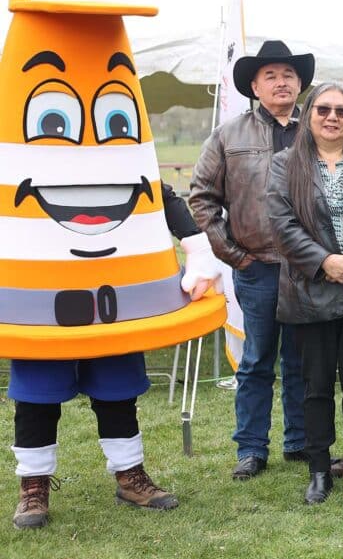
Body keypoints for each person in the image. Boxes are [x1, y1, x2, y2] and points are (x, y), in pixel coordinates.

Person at [10, 185, 221, 529]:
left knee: (117, 390)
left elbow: (158, 194)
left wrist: (197, 246)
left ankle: (130, 476)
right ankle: (33, 486)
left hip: (117, 294)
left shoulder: (116, 156)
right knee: (38, 394)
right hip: (40, 295)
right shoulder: (25, 155)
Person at [190, 40, 312, 480]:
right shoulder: (229, 135)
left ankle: (299, 441)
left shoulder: (319, 130)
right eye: (271, 76)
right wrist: (231, 254)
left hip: (308, 268)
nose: (281, 83)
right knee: (258, 359)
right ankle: (251, 448)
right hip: (256, 266)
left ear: (299, 83)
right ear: (255, 86)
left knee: (302, 360)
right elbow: (201, 198)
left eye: (288, 75)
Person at [267, 82, 343, 504]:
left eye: (342, 111)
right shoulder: (286, 164)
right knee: (315, 386)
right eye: (323, 109)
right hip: (310, 292)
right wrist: (324, 261)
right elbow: (282, 223)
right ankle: (319, 471)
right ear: (309, 115)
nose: (332, 117)